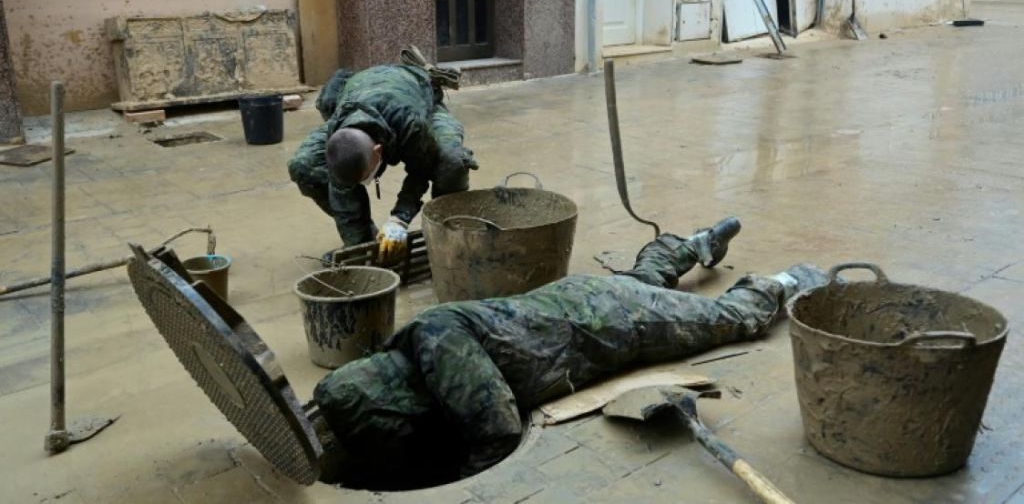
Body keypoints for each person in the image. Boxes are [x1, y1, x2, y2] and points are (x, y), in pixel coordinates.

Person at [307, 217, 830, 488]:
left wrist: (450, 479)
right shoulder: (418, 348)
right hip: (579, 303)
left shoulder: (442, 346)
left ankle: (790, 279)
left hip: (607, 325)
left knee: (729, 321)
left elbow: (497, 433)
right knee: (641, 282)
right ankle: (693, 245)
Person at [288, 47, 478, 262]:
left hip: (422, 103)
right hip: (365, 97)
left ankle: (449, 236)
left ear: (378, 150)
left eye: (365, 176)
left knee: (451, 161)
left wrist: (400, 218)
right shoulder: (339, 123)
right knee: (304, 165)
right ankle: (364, 241)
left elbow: (421, 171)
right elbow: (341, 186)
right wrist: (359, 250)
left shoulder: (411, 124)